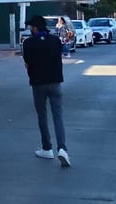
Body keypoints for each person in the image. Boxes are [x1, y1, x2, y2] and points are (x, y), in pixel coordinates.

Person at [22, 15, 71, 168]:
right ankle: (62, 148)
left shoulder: (28, 43)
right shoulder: (55, 40)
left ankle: (47, 147)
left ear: (34, 27)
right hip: (55, 81)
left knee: (42, 115)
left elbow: (27, 64)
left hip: (38, 83)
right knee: (58, 115)